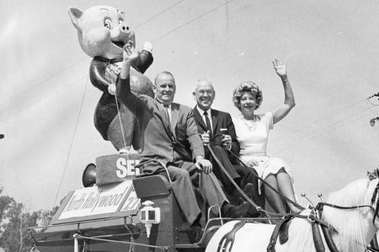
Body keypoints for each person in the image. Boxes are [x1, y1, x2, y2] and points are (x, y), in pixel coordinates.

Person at [116, 42, 250, 231]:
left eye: (171, 86)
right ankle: (195, 222)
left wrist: (200, 157)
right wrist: (127, 64)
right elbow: (122, 94)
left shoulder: (184, 111)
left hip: (178, 161)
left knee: (203, 170)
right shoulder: (145, 105)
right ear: (155, 89)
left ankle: (224, 209)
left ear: (175, 89)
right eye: (163, 86)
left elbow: (194, 136)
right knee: (182, 175)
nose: (167, 90)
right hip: (155, 164)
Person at [232, 58, 299, 214]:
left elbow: (290, 103)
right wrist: (242, 162)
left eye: (251, 98)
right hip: (246, 162)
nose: (248, 102)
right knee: (266, 171)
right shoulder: (233, 122)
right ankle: (282, 215)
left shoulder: (264, 119)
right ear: (239, 102)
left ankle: (293, 207)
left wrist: (284, 78)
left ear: (257, 102)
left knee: (276, 164)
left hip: (264, 159)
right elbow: (230, 149)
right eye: (244, 99)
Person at [192, 78, 264, 211]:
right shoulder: (189, 116)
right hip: (205, 167)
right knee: (217, 150)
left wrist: (230, 145)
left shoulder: (224, 117)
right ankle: (238, 194)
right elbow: (186, 146)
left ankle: (254, 213)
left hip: (226, 167)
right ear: (194, 95)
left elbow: (236, 149)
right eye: (202, 92)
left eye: (209, 92)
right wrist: (200, 143)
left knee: (250, 172)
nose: (205, 95)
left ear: (214, 95)